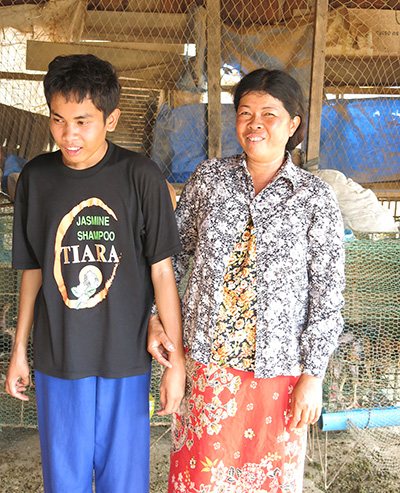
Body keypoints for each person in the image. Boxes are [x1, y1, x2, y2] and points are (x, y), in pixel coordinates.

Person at [152, 68, 345, 492]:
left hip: (278, 373)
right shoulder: (209, 179)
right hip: (207, 366)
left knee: (268, 482)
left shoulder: (314, 198)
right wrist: (156, 319)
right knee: (200, 478)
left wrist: (313, 375)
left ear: (293, 123)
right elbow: (173, 259)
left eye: (269, 113)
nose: (254, 123)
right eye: (245, 112)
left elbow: (328, 294)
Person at [5, 53, 185, 493]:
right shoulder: (35, 178)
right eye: (58, 119)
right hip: (58, 356)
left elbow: (162, 272)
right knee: (63, 482)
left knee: (123, 483)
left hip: (124, 357)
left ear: (111, 119)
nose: (69, 134)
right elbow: (31, 271)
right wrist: (19, 350)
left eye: (83, 121)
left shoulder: (141, 177)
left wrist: (176, 361)